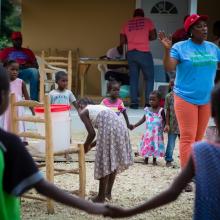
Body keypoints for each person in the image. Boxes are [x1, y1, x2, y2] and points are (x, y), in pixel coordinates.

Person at [0, 64, 109, 220]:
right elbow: (41, 186)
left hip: (62, 122)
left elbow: (75, 104)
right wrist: (90, 207)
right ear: (4, 97)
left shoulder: (10, 143)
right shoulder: (10, 144)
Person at [105, 83, 220, 220]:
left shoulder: (202, 151)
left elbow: (172, 192)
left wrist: (129, 212)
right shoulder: (201, 151)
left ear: (211, 111)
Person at [158, 14, 220, 191]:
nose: (204, 28)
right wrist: (166, 50)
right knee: (188, 137)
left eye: (205, 25)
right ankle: (186, 178)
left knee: (199, 139)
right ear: (190, 31)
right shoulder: (180, 47)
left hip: (206, 99)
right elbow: (169, 67)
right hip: (185, 98)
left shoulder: (213, 49)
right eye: (199, 26)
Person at [78, 98, 133, 203]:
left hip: (111, 128)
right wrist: (91, 146)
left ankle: (101, 197)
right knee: (112, 162)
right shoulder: (99, 109)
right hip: (120, 128)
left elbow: (92, 133)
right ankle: (107, 194)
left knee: (104, 163)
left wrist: (84, 148)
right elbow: (105, 134)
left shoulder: (83, 112)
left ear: (81, 106)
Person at [120, 8, 157, 109]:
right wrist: (145, 37)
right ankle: (149, 103)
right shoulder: (147, 21)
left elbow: (122, 40)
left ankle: (134, 103)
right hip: (144, 53)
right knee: (149, 78)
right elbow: (154, 36)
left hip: (131, 54)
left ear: (133, 15)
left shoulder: (126, 23)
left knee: (133, 79)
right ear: (143, 15)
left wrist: (132, 39)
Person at [0, 32, 39, 101]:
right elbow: (1, 64)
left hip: (23, 72)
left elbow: (36, 66)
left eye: (19, 39)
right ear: (12, 41)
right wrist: (10, 64)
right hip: (9, 73)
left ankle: (34, 101)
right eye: (16, 40)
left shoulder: (28, 51)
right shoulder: (6, 51)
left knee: (34, 71)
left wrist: (26, 65)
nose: (18, 41)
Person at [0, 60, 34, 140]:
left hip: (18, 109)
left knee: (19, 124)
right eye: (12, 69)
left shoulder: (21, 82)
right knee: (6, 123)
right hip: (6, 110)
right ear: (5, 69)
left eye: (17, 70)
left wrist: (32, 109)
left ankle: (20, 140)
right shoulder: (3, 82)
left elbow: (27, 98)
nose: (15, 72)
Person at [131, 90, 165, 165]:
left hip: (157, 134)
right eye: (150, 99)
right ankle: (146, 159)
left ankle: (154, 160)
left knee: (155, 145)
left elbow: (164, 121)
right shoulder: (147, 110)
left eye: (153, 100)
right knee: (147, 145)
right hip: (148, 133)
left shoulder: (161, 110)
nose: (151, 101)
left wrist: (164, 128)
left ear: (159, 100)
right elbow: (143, 119)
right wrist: (135, 125)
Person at [164, 78, 180, 167]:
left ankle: (185, 159)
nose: (173, 86)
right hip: (172, 124)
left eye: (175, 84)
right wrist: (167, 124)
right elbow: (168, 111)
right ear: (170, 86)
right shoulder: (168, 96)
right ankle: (168, 160)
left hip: (182, 125)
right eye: (172, 84)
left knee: (184, 143)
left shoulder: (183, 96)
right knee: (171, 144)